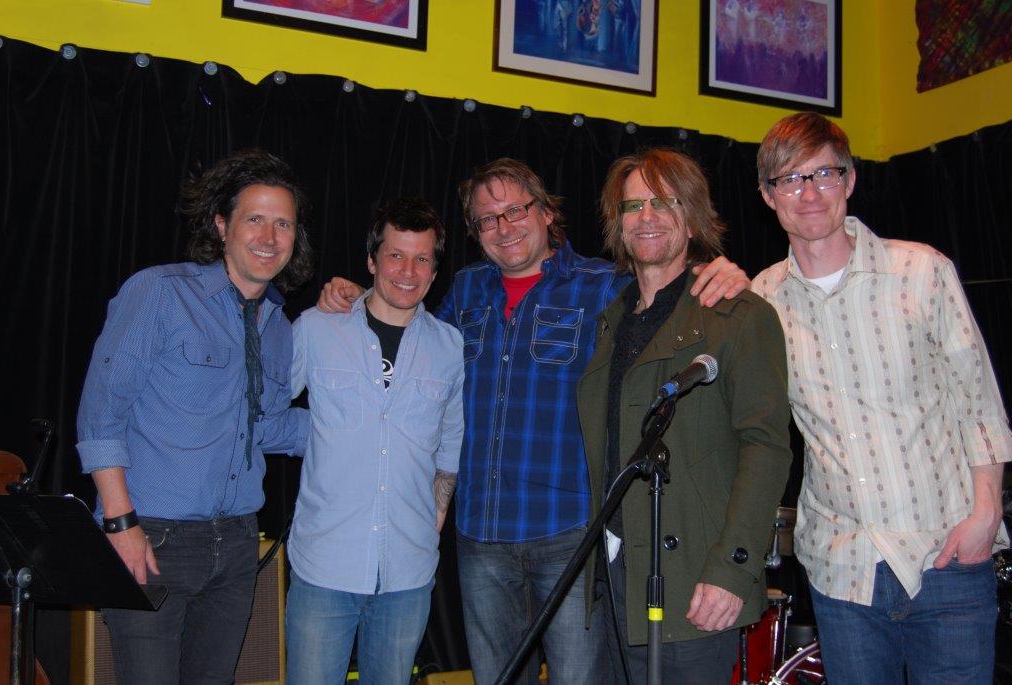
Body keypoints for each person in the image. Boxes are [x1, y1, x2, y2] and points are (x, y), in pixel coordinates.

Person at [318, 157, 748, 684]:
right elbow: (402, 322)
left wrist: (715, 269)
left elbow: (671, 282)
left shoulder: (605, 284)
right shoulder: (466, 291)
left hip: (569, 531)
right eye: (487, 220)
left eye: (515, 210)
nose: (504, 227)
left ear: (546, 213)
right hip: (481, 536)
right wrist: (352, 297)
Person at [751, 111, 1011, 684]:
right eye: (791, 179)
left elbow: (980, 404)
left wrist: (985, 514)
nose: (810, 192)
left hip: (947, 553)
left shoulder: (922, 270)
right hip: (843, 569)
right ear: (769, 196)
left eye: (824, 173)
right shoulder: (760, 299)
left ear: (850, 180)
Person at [76, 149, 314, 684]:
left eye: (284, 223)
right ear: (221, 224)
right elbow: (100, 416)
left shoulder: (278, 326)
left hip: (233, 548)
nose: (269, 237)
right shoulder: (160, 292)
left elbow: (269, 425)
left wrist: (368, 426)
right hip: (151, 539)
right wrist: (120, 524)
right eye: (255, 218)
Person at [577, 147, 792, 683]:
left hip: (695, 585)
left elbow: (766, 448)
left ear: (692, 215)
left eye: (663, 202)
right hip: (616, 579)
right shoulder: (612, 319)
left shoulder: (738, 315)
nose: (646, 218)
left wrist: (733, 570)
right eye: (632, 207)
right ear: (617, 223)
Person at [286, 198, 464, 684]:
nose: (408, 270)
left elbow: (449, 443)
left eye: (422, 258)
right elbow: (265, 406)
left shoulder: (450, 346)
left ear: (434, 269)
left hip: (408, 574)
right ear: (371, 260)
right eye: (395, 255)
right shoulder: (317, 328)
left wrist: (436, 515)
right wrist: (314, 438)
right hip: (324, 566)